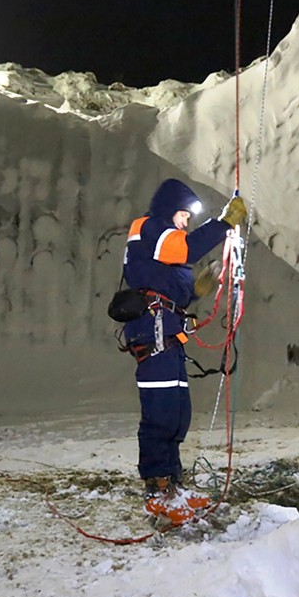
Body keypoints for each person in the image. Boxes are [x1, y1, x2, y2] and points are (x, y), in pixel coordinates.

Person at [120, 178, 248, 523]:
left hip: (169, 332)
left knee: (178, 413)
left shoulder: (165, 247)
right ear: (168, 208)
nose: (185, 222)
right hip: (153, 331)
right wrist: (223, 224)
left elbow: (174, 281)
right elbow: (187, 249)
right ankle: (157, 488)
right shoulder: (148, 228)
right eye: (183, 215)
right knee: (160, 412)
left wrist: (197, 289)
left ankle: (173, 484)